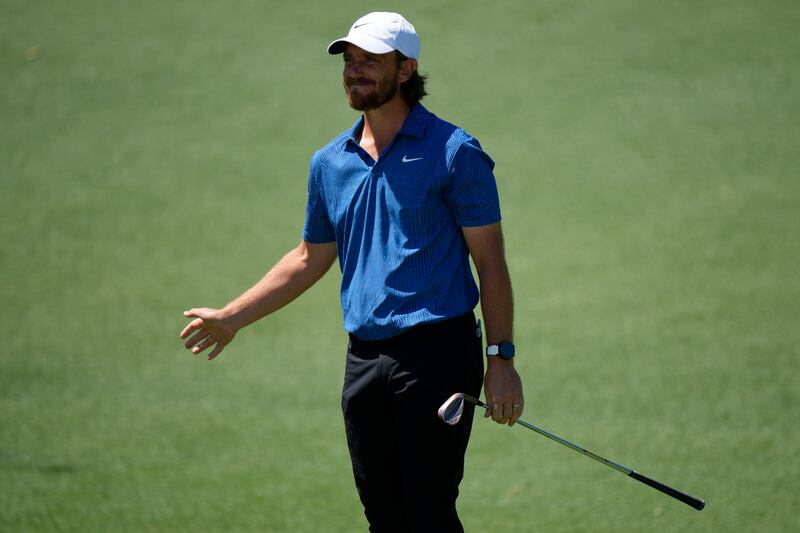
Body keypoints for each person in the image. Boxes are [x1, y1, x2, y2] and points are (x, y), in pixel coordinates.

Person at [180, 11, 524, 532]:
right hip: (364, 359)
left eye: (370, 61)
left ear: (406, 70)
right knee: (383, 517)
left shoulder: (455, 153)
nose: (354, 70)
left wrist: (500, 359)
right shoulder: (330, 163)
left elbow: (491, 264)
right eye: (349, 60)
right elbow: (307, 258)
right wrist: (232, 317)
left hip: (437, 355)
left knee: (427, 515)